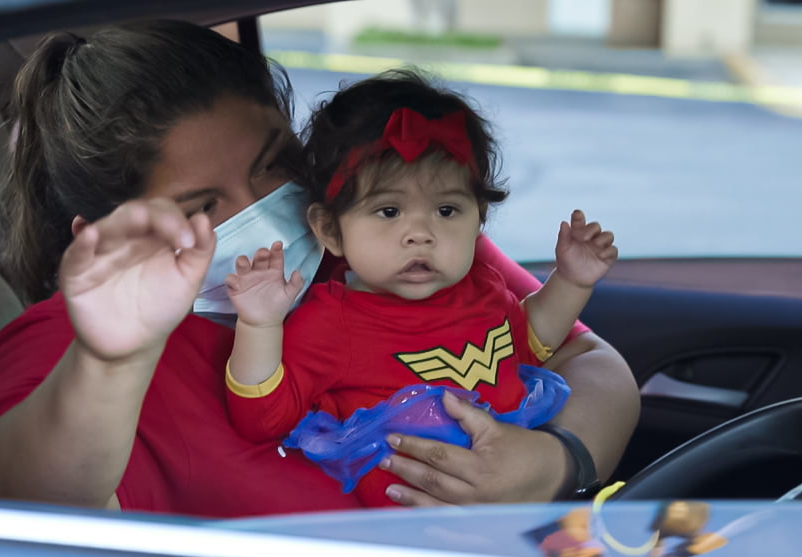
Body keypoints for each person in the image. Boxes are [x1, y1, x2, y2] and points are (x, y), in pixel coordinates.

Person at [0, 19, 640, 517]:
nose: (268, 213)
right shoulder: (75, 350)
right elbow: (24, 507)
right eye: (203, 205)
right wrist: (109, 361)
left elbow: (588, 357)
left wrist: (556, 462)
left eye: (275, 166)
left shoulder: (377, 241)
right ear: (115, 234)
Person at [223, 71, 617, 507]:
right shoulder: (332, 322)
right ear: (330, 231)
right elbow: (263, 417)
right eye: (389, 211)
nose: (420, 234)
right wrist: (259, 325)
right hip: (411, 524)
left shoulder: (481, 286)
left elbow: (523, 346)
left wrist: (571, 280)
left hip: (515, 501)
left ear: (479, 218)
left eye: (446, 210)